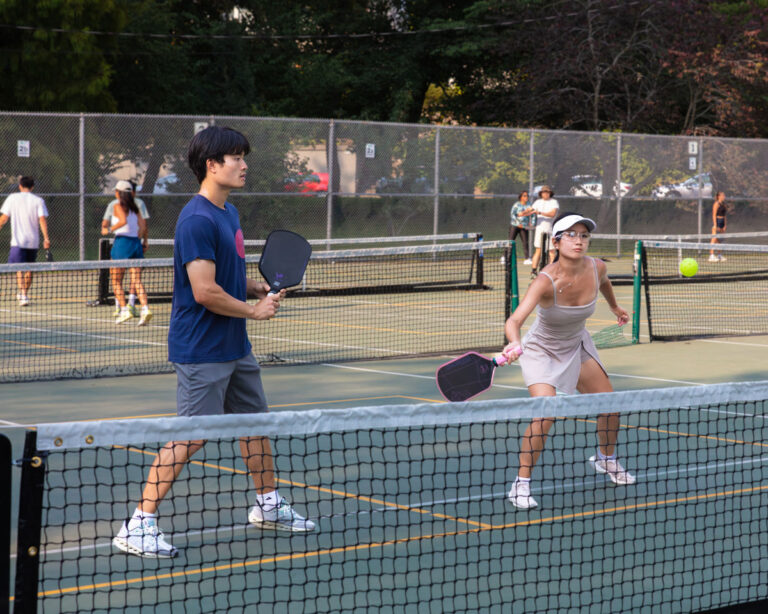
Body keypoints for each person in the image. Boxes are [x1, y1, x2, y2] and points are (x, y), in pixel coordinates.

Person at [113, 126, 315, 559]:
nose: (244, 165)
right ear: (212, 165)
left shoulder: (228, 214)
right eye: (236, 158)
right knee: (192, 435)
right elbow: (203, 290)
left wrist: (253, 289)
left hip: (235, 346)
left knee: (255, 426)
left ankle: (267, 505)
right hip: (201, 348)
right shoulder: (198, 219)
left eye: (244, 156)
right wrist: (254, 311)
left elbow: (224, 278)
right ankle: (138, 524)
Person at [500, 212, 635, 510]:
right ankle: (520, 484)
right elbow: (515, 320)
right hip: (542, 351)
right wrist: (514, 341)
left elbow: (605, 283)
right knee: (545, 415)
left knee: (610, 406)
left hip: (577, 344)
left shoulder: (596, 267)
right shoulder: (546, 280)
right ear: (557, 241)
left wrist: (615, 307)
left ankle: (606, 459)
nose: (579, 240)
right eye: (571, 235)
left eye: (584, 235)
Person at [101, 180, 152, 326]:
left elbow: (122, 220)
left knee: (116, 280)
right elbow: (142, 226)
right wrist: (142, 241)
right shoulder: (136, 208)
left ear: (118, 192)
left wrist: (109, 229)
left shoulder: (117, 205)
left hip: (122, 243)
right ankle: (145, 308)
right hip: (135, 243)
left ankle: (124, 310)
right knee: (136, 280)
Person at [0, 176, 51, 306]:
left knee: (19, 269)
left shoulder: (12, 198)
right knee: (29, 269)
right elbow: (42, 220)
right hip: (33, 241)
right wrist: (46, 238)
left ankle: (23, 294)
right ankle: (23, 294)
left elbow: (4, 218)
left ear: (20, 186)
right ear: (32, 187)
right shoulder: (38, 201)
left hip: (18, 242)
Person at [530, 185, 559, 276]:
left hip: (550, 230)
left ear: (550, 193)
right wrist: (521, 214)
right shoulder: (537, 202)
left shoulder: (554, 202)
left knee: (551, 251)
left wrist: (540, 213)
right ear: (541, 194)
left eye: (547, 192)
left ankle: (551, 271)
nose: (545, 194)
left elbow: (552, 214)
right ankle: (534, 271)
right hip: (539, 230)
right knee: (538, 250)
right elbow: (529, 210)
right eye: (543, 192)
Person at [509, 191, 533, 265]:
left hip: (524, 226)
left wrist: (532, 222)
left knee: (525, 242)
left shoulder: (529, 204)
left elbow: (532, 214)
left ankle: (527, 259)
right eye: (524, 196)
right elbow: (512, 215)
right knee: (510, 242)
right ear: (521, 197)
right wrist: (518, 223)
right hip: (514, 225)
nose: (526, 197)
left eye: (527, 196)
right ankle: (505, 257)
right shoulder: (516, 205)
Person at [709, 191, 728, 262]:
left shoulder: (724, 204)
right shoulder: (716, 204)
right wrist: (715, 225)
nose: (724, 197)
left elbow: (724, 215)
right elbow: (714, 215)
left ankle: (719, 255)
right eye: (722, 195)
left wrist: (725, 225)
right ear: (718, 196)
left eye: (724, 195)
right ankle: (711, 255)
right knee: (714, 238)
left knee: (720, 240)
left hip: (722, 222)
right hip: (717, 221)